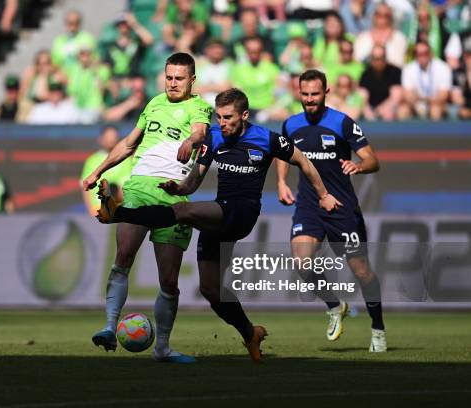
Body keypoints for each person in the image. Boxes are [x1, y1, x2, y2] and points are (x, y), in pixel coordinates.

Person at [95, 88, 341, 362]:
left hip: (241, 212)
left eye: (228, 118)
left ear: (244, 115)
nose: (221, 123)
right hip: (219, 215)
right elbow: (194, 180)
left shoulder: (267, 139)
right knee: (211, 290)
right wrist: (179, 187)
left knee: (183, 211)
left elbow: (303, 161)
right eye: (219, 117)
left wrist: (324, 194)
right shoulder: (212, 138)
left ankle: (118, 214)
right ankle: (250, 333)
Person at [82, 52, 212, 363]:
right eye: (169, 77)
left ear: (192, 80)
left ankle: (163, 348)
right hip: (139, 188)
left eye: (179, 78)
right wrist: (98, 170)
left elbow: (200, 131)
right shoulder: (153, 103)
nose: (172, 83)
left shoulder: (200, 106)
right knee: (122, 258)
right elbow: (128, 143)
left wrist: (191, 142)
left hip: (173, 196)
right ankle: (110, 327)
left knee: (168, 280)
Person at [276, 69, 386, 353]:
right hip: (308, 205)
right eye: (305, 94)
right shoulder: (291, 125)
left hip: (341, 207)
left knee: (361, 271)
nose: (310, 100)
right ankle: (335, 305)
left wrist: (359, 166)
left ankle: (378, 328)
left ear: (326, 92)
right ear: (298, 93)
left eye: (315, 94)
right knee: (301, 263)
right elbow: (282, 154)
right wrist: (280, 182)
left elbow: (373, 159)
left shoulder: (342, 123)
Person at [80, 126, 132, 216]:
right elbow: (85, 187)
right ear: (100, 139)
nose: (110, 140)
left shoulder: (127, 160)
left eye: (113, 137)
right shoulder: (92, 160)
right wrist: (90, 210)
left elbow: (129, 187)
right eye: (107, 137)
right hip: (97, 210)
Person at [399, 41, 453, 120]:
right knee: (402, 110)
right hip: (416, 104)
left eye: (426, 53)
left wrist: (423, 99)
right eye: (419, 54)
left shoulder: (443, 67)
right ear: (415, 55)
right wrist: (421, 103)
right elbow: (408, 96)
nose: (423, 56)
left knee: (435, 109)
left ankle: (434, 132)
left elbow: (443, 96)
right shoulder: (408, 69)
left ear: (431, 53)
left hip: (436, 104)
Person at [359, 45, 402, 121]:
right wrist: (370, 113)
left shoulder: (395, 72)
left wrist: (381, 110)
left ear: (385, 58)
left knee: (390, 112)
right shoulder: (366, 74)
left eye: (380, 58)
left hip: (389, 108)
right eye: (375, 59)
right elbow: (361, 95)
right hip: (370, 110)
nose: (378, 62)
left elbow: (397, 95)